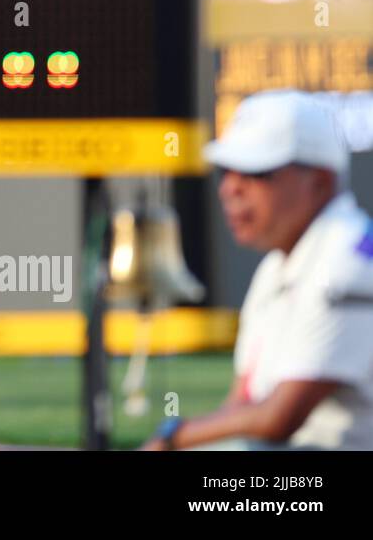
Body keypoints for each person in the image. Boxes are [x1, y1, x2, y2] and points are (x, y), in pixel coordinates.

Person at [142, 91, 373, 450]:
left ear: (320, 182)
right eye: (228, 171)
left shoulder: (348, 260)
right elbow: (245, 401)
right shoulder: (277, 266)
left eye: (257, 172)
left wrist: (174, 436)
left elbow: (278, 419)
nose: (231, 188)